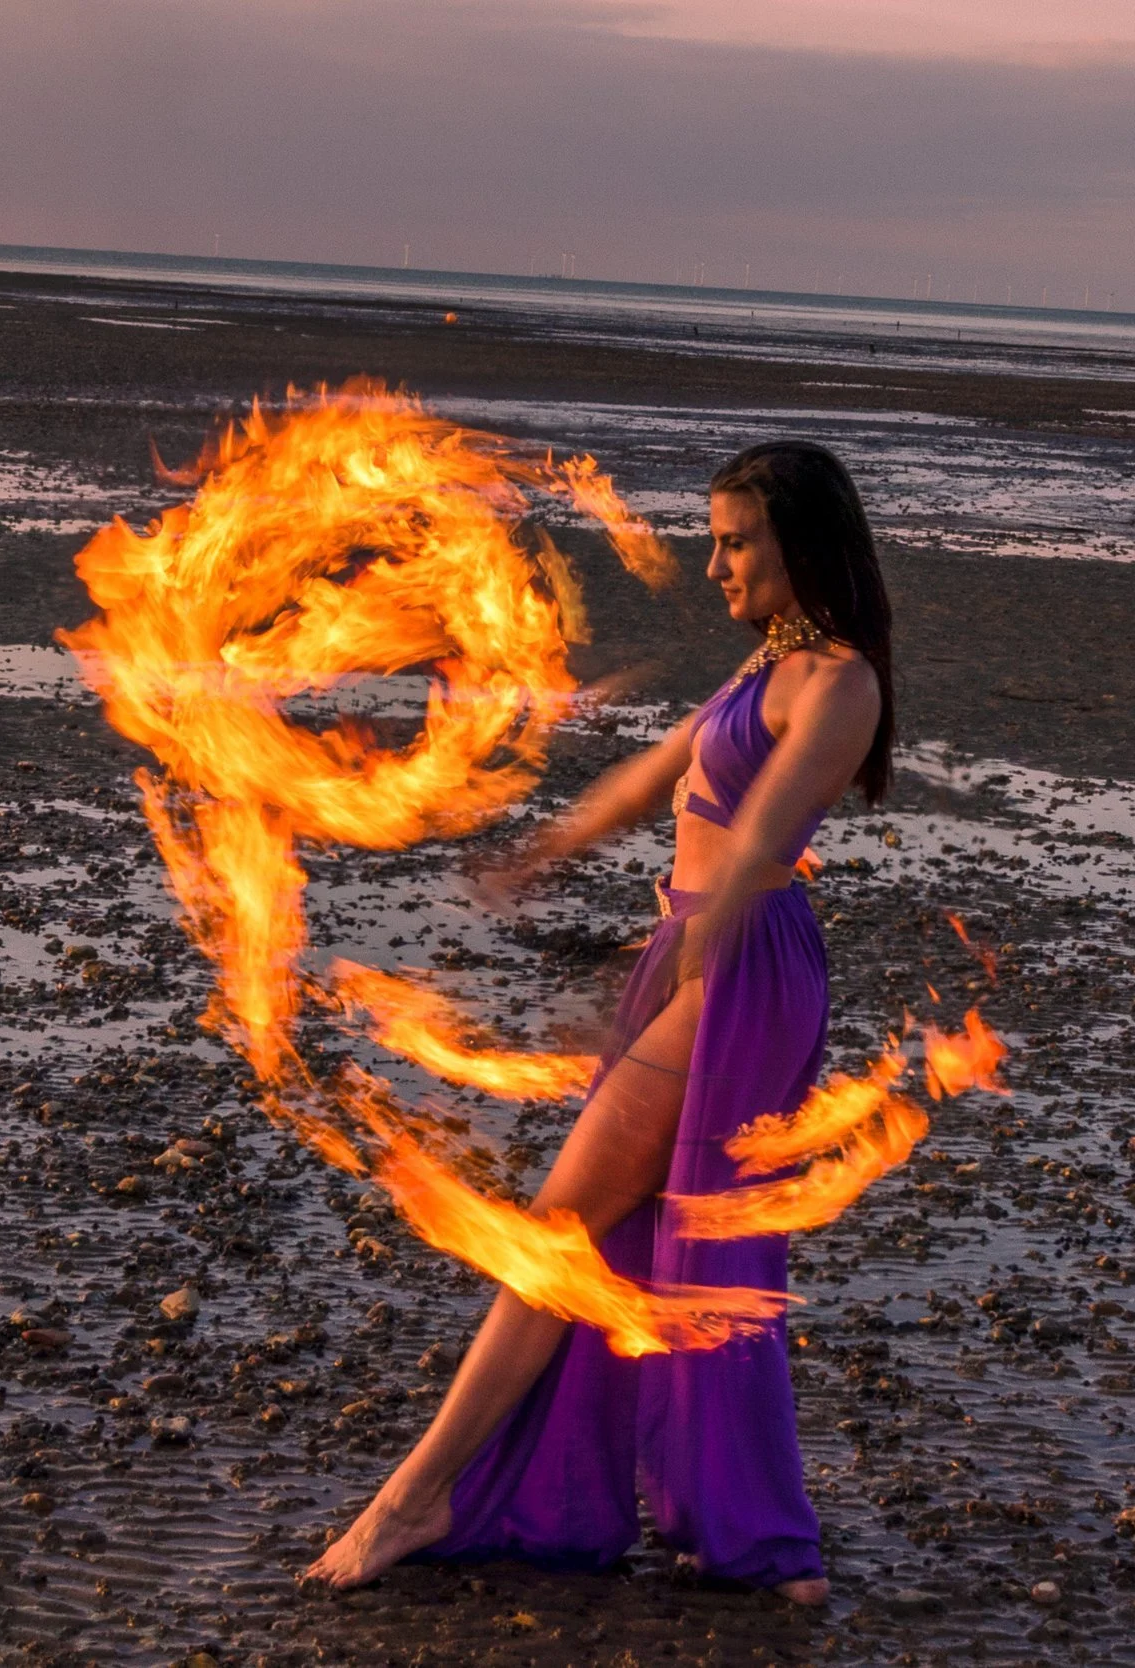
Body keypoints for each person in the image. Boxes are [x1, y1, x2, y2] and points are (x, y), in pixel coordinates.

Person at [302, 440, 894, 1599]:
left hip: (740, 966)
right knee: (593, 1242)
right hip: (691, 954)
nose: (713, 564)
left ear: (801, 547)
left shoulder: (841, 684)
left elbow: (765, 833)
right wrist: (540, 854)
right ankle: (739, 1533)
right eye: (711, 539)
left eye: (734, 543)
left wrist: (674, 965)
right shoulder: (761, 669)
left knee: (565, 1232)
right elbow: (656, 779)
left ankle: (416, 1497)